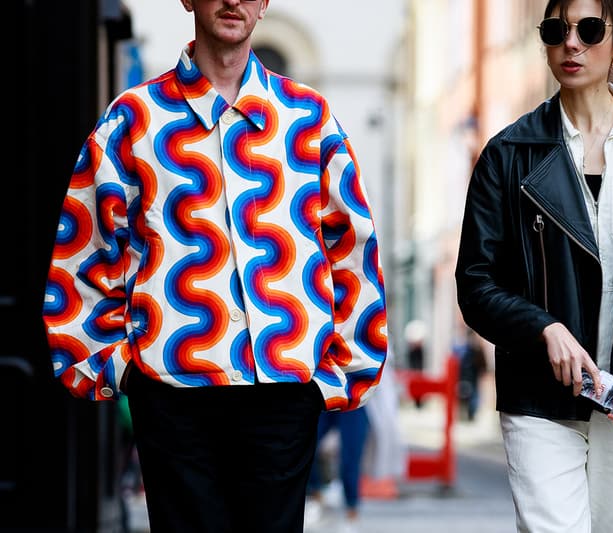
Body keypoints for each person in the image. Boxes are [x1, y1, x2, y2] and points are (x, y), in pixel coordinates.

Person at [42, 1, 387, 532]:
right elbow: (85, 250)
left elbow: (352, 246)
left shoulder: (308, 117)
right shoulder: (133, 120)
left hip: (284, 390)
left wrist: (335, 372)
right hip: (173, 394)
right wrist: (119, 370)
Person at [454, 0, 613, 531]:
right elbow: (475, 283)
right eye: (557, 30)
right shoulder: (508, 156)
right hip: (541, 401)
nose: (572, 44)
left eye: (590, 30)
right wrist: (542, 327)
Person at [305, 407, 371, 532]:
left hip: (353, 400)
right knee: (306, 446)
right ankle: (317, 497)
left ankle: (351, 514)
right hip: (324, 399)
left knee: (349, 461)